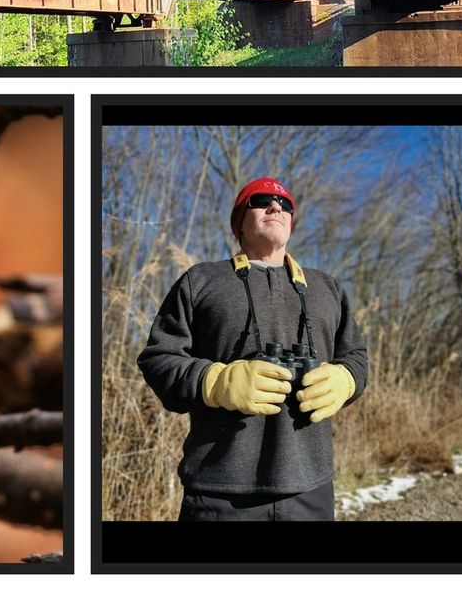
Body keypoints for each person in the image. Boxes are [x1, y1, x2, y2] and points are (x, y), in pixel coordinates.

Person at [137, 177, 367, 521]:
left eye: (285, 204)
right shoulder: (201, 280)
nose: (276, 207)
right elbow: (158, 358)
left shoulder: (327, 287)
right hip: (219, 492)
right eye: (261, 201)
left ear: (291, 221)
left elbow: (356, 357)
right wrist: (213, 383)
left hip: (311, 490)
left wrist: (346, 379)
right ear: (238, 222)